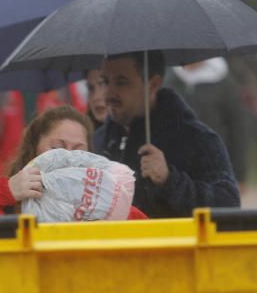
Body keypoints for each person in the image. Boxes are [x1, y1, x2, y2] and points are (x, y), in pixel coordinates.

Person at [94, 51, 241, 218]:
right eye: (105, 82)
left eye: (121, 82)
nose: (108, 94)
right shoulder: (100, 140)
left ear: (153, 84)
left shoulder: (197, 139)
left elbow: (229, 205)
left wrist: (170, 180)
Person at [0, 104, 145, 219]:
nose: (68, 159)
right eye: (57, 149)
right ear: (33, 151)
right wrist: (5, 192)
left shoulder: (110, 204)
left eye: (79, 151)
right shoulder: (7, 198)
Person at [167, 57, 250, 188]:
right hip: (175, 171)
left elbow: (238, 129)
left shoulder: (223, 82)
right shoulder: (169, 80)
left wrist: (239, 174)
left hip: (215, 168)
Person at [0, 86, 86, 176]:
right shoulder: (0, 91)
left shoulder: (63, 87)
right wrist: (4, 178)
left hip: (55, 179)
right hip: (12, 179)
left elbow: (83, 131)